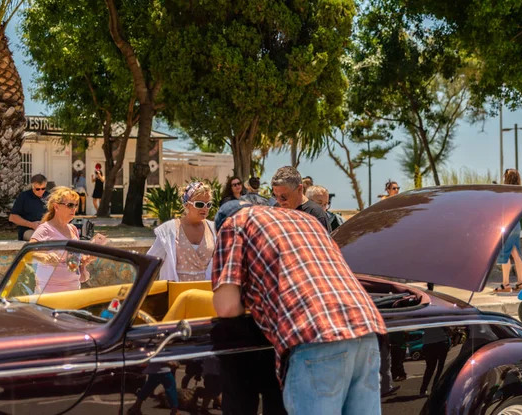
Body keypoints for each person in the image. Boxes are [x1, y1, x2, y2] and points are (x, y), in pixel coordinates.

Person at [212, 200, 386, 415]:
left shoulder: (234, 224)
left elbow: (226, 307)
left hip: (315, 334)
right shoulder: (308, 220)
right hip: (365, 326)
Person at [29, 186, 98, 293]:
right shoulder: (45, 229)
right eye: (70, 205)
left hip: (73, 291)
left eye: (75, 205)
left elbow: (73, 261)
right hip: (49, 293)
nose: (74, 209)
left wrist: (84, 260)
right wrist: (44, 257)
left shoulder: (73, 229)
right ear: (56, 207)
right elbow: (28, 253)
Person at [147, 182, 216, 282]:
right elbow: (150, 262)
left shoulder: (214, 229)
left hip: (205, 293)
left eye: (208, 204)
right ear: (187, 204)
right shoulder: (169, 230)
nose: (205, 208)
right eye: (200, 204)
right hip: (176, 292)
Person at [271, 166, 331, 232]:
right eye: (275, 196)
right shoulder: (276, 210)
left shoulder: (316, 215)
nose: (280, 201)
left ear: (299, 189)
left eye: (284, 197)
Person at [494, 168, 522, 293]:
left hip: (508, 225)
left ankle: (505, 284)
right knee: (516, 253)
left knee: (504, 254)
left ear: (508, 178)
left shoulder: (505, 194)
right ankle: (520, 282)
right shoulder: (520, 194)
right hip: (517, 225)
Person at [9, 174, 50, 241]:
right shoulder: (24, 197)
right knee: (39, 239)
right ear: (32, 186)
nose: (40, 191)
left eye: (43, 189)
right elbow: (12, 217)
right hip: (28, 230)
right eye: (37, 189)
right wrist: (31, 224)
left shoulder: (49, 197)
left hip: (47, 229)